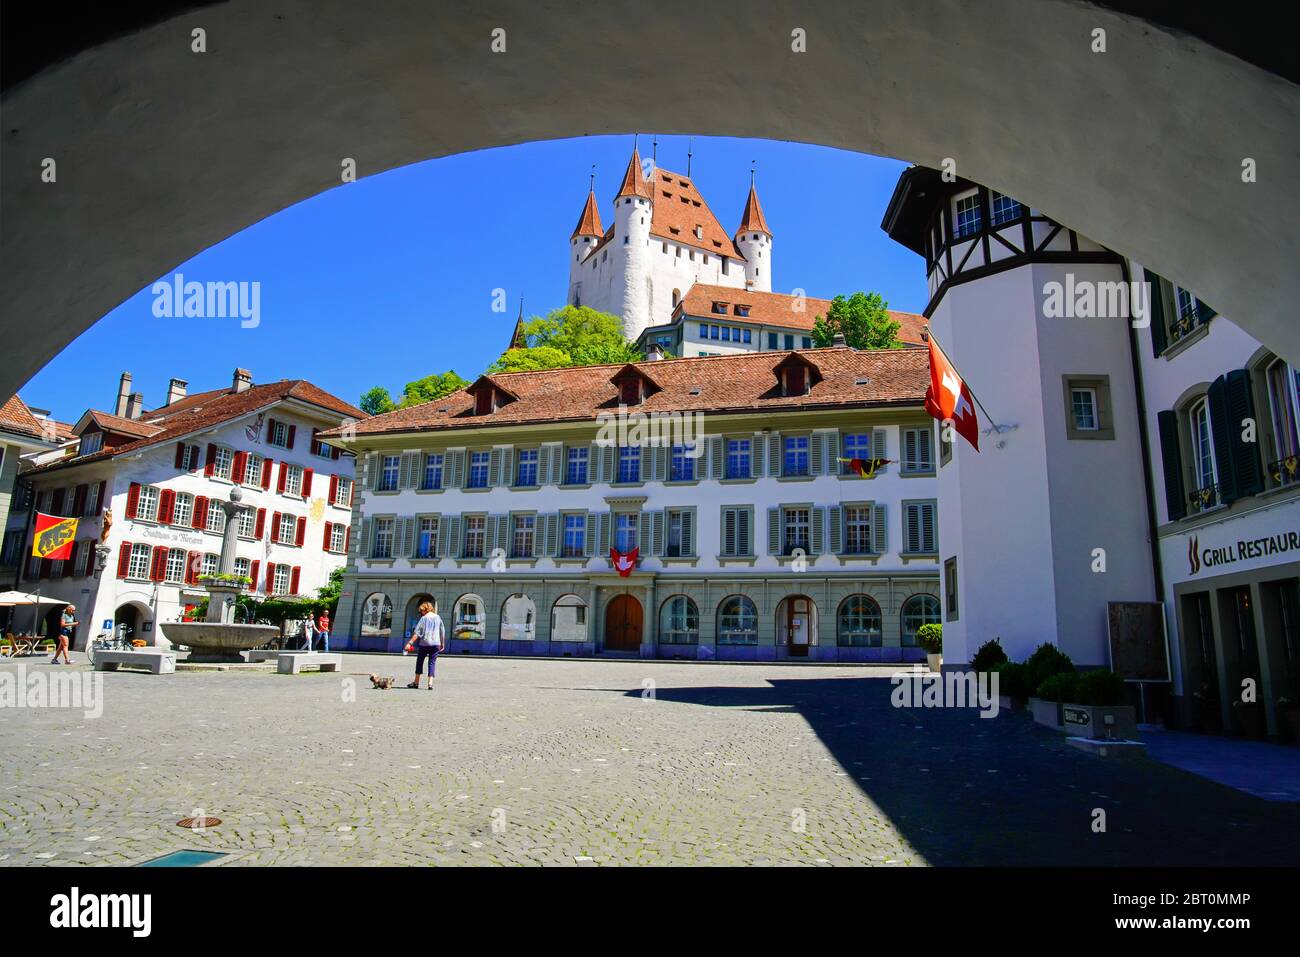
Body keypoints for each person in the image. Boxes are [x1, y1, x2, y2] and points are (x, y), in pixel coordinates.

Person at [404, 600, 443, 690]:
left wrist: (410, 643)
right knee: (432, 663)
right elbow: (442, 631)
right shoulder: (438, 617)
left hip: (425, 643)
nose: (421, 613)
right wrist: (442, 643)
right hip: (436, 643)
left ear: (425, 610)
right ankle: (430, 684)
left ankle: (416, 682)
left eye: (421, 611)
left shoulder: (424, 618)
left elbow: (417, 633)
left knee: (420, 662)